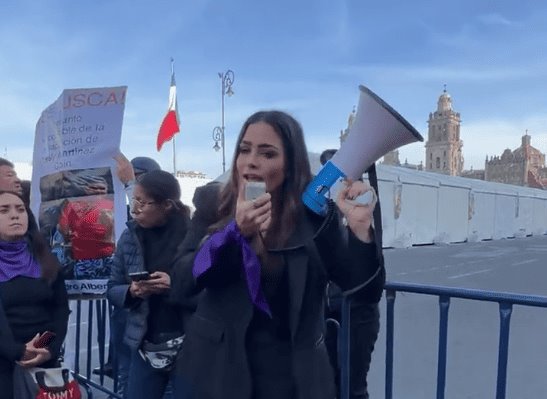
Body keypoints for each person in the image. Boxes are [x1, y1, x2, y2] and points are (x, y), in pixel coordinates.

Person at [171, 110, 384, 399]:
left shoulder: (316, 214)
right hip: (218, 372)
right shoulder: (214, 204)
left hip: (294, 377)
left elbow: (361, 292)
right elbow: (182, 282)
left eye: (268, 154)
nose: (251, 162)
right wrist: (234, 234)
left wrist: (361, 231)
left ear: (290, 164)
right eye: (244, 150)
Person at [107, 170, 192, 399]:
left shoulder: (195, 235)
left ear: (166, 205)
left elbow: (211, 290)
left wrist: (174, 285)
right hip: (144, 344)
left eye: (143, 202)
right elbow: (112, 287)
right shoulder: (129, 237)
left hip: (190, 345)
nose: (135, 208)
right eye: (134, 200)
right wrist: (132, 291)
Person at [320, 148, 383, 399]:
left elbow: (370, 280)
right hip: (329, 311)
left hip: (356, 314)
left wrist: (360, 225)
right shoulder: (323, 209)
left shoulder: (356, 204)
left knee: (351, 387)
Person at [0, 190, 70, 398]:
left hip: (41, 361)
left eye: (20, 209)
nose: (15, 215)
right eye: (4, 211)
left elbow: (59, 310)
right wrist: (17, 351)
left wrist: (45, 348)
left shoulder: (44, 258)